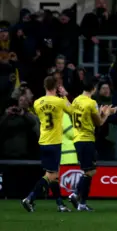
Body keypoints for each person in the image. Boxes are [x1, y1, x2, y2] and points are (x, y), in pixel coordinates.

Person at [21, 76, 74, 212]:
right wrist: (64, 96)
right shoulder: (59, 102)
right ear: (56, 87)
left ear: (45, 87)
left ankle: (60, 204)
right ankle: (29, 198)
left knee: (54, 174)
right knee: (50, 175)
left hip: (43, 141)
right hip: (54, 142)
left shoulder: (37, 103)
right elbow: (72, 110)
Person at [68, 77, 117, 211]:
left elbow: (86, 116)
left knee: (89, 171)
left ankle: (81, 202)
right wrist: (106, 114)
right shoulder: (91, 103)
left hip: (78, 138)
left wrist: (102, 112)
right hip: (86, 139)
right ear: (94, 88)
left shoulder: (76, 100)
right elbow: (99, 122)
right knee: (89, 171)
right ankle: (76, 195)